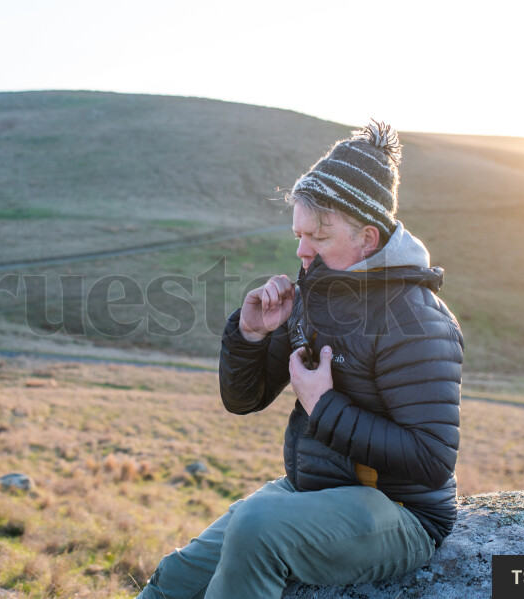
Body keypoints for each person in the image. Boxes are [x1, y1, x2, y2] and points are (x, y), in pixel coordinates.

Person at [136, 121, 464, 599]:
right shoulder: (315, 292)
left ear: (368, 239)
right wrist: (252, 335)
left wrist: (324, 404)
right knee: (180, 576)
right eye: (298, 233)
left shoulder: (416, 320)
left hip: (400, 512)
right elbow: (244, 400)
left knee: (256, 527)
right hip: (313, 493)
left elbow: (431, 459)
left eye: (318, 236)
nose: (301, 249)